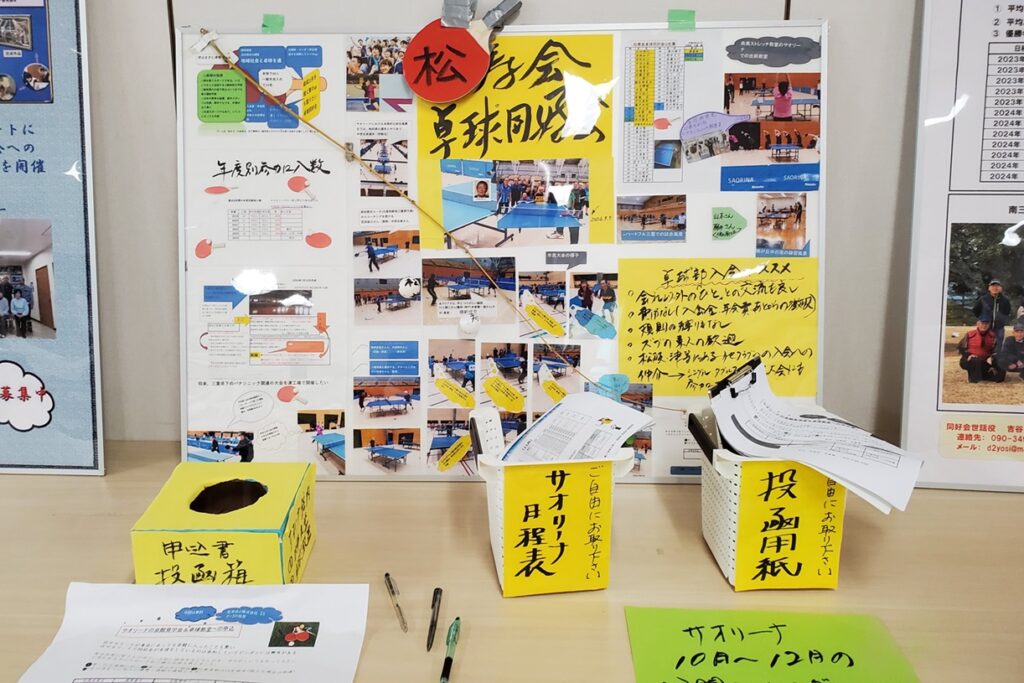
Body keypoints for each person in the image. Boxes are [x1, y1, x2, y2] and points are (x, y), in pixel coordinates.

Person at [958, 315, 1005, 383]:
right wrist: (968, 355)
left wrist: (996, 360)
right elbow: (960, 348)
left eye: (986, 324)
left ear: (989, 324)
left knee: (999, 377)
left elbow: (995, 351)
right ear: (977, 324)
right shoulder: (969, 334)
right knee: (975, 360)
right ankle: (973, 378)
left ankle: (983, 374)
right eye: (982, 323)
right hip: (969, 360)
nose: (984, 325)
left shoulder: (992, 336)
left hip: (982, 361)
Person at [972, 279, 1012, 349]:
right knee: (984, 346)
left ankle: (997, 356)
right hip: (985, 327)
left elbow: (1007, 311)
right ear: (989, 288)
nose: (995, 288)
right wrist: (982, 319)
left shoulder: (1005, 300)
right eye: (993, 286)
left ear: (1001, 288)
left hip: (999, 327)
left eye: (997, 286)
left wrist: (1002, 320)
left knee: (998, 346)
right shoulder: (983, 299)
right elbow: (975, 310)